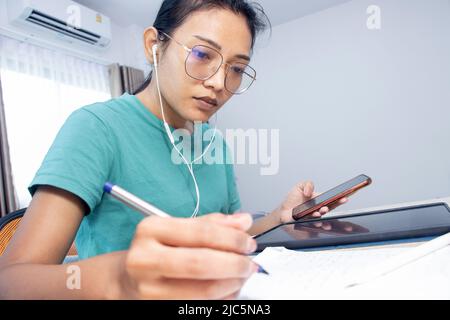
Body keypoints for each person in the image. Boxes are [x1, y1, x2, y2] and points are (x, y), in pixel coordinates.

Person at [0, 0, 346, 299]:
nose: (217, 82)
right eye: (202, 54)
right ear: (154, 45)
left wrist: (278, 217)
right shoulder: (97, 127)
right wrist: (120, 279)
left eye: (236, 69)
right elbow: (10, 282)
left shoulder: (214, 143)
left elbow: (229, 236)